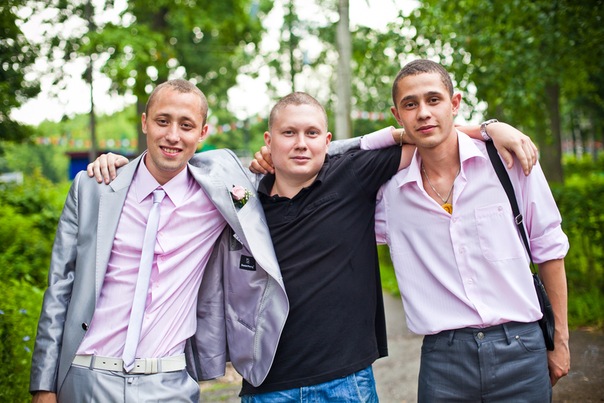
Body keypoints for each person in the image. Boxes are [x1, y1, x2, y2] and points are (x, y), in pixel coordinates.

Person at [89, 90, 539, 401]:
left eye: (311, 134)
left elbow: (431, 136)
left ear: (327, 141)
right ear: (269, 142)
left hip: (347, 382)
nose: (301, 144)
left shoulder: (353, 175)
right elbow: (173, 169)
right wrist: (123, 166)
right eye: (288, 134)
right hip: (268, 388)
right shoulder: (240, 201)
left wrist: (488, 129)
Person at [29, 79, 288, 403]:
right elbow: (59, 289)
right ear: (145, 123)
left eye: (186, 125)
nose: (173, 135)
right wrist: (44, 386)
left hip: (169, 385)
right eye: (162, 121)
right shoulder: (94, 187)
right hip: (86, 378)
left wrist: (272, 155)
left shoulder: (222, 193)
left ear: (203, 133)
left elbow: (310, 157)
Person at [370, 59, 569, 401]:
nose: (423, 113)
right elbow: (326, 159)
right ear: (397, 115)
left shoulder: (508, 161)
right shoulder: (389, 193)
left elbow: (548, 248)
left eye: (434, 99)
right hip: (443, 361)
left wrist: (560, 341)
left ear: (455, 103)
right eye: (410, 104)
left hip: (522, 348)